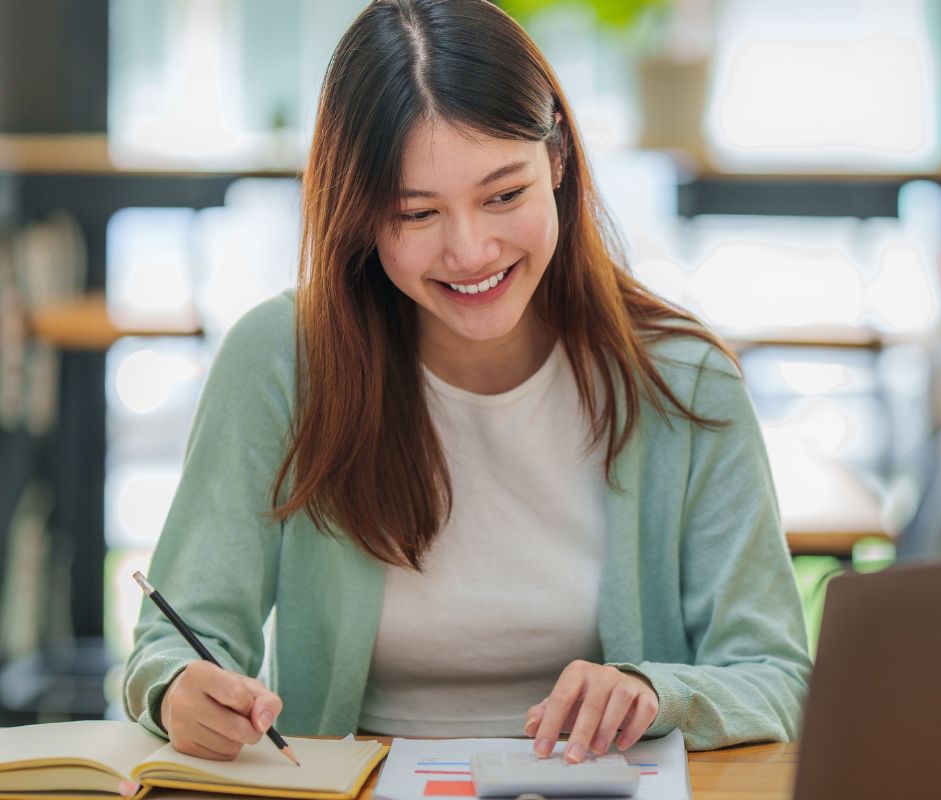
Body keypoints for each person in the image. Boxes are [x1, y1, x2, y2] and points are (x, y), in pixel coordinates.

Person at [123, 0, 810, 764]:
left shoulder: (684, 381)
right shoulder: (281, 362)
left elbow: (776, 675)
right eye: (416, 214)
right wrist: (176, 687)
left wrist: (658, 692)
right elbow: (176, 637)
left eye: (504, 195)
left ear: (558, 161)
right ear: (360, 217)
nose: (470, 250)